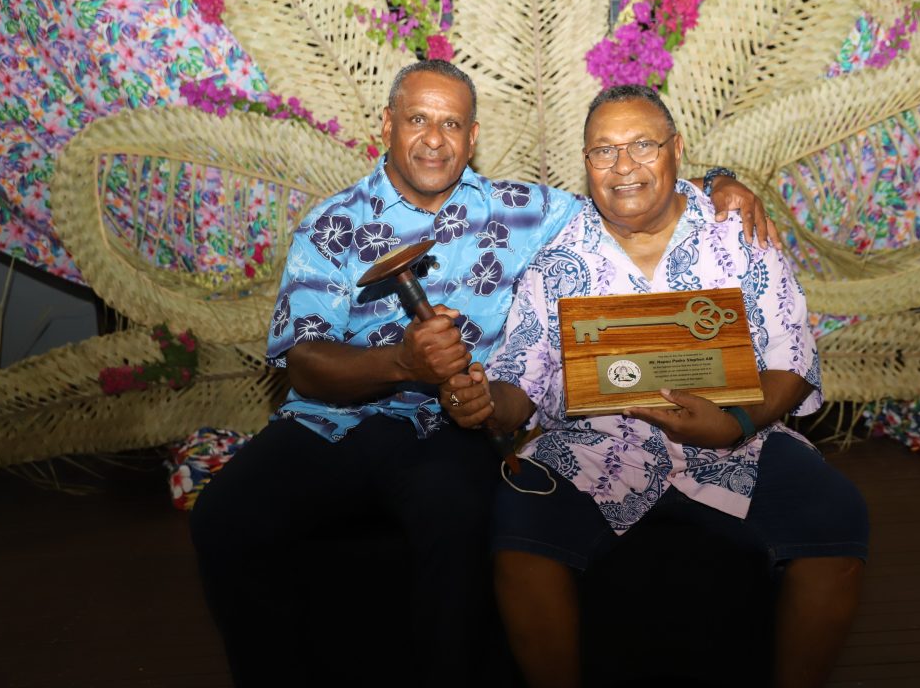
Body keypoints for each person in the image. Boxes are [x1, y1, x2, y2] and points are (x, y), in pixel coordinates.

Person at [188, 61, 779, 686]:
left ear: (473, 138)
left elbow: (629, 188)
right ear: (387, 125)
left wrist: (719, 182)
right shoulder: (332, 224)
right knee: (222, 517)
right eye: (417, 119)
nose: (434, 139)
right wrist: (401, 363)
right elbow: (305, 362)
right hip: (332, 422)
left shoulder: (526, 210)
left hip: (455, 425)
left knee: (461, 521)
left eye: (451, 124)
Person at [439, 84, 869, 688]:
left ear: (676, 149)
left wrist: (737, 422)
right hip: (593, 450)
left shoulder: (739, 233)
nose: (623, 167)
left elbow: (791, 355)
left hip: (737, 441)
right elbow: (519, 381)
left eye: (642, 144)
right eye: (603, 151)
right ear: (585, 163)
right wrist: (488, 403)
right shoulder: (557, 261)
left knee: (835, 518)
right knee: (520, 533)